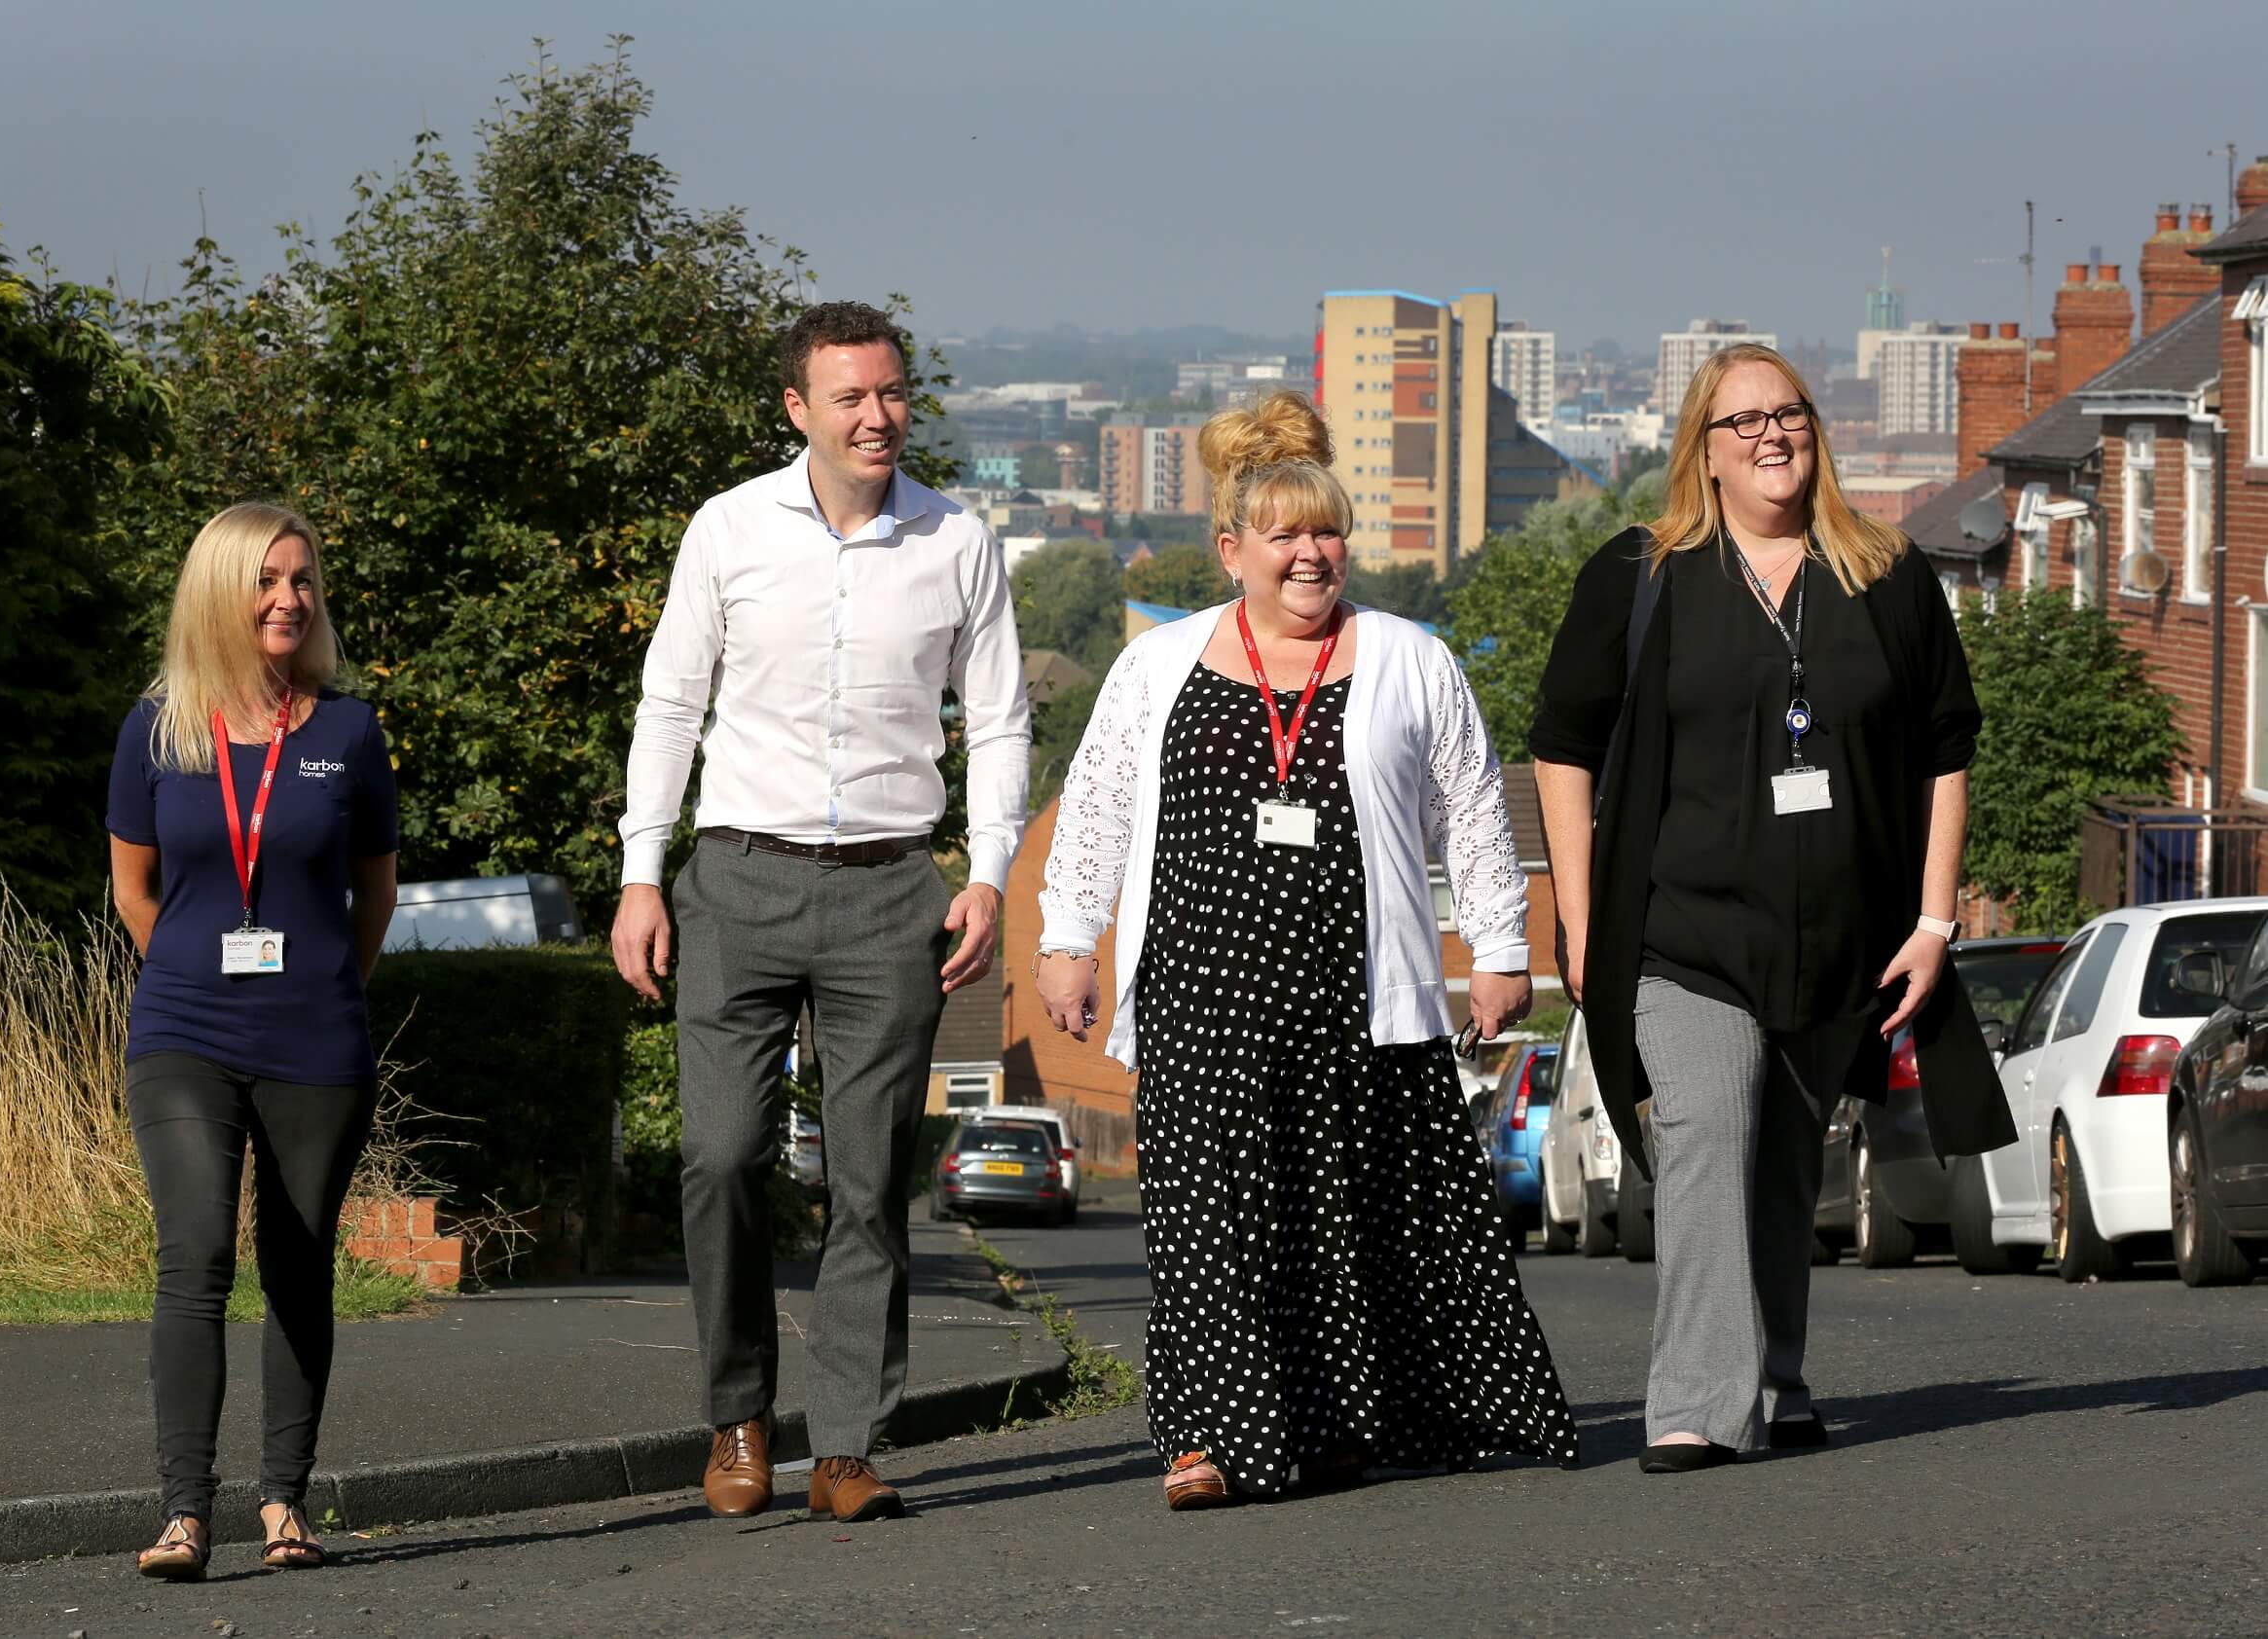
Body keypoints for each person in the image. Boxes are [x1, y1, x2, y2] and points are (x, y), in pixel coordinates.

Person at [1033, 391, 1579, 1509]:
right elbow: (1095, 804)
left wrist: (1498, 945)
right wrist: (1066, 938)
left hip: (1351, 998)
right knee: (1206, 1218)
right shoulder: (1160, 663)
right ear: (1231, 549)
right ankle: (1206, 1438)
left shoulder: (1409, 658)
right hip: (1200, 997)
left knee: (1338, 1220)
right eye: (1284, 534)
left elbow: (1472, 806)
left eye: (1327, 531)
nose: (1309, 554)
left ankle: (1331, 1426)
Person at [1528, 345, 2013, 1475]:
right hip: (1683, 931)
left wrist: (1934, 921)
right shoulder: (1642, 574)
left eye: (1787, 413)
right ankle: (1696, 1403)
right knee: (1708, 1130)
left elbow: (1945, 748)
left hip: (1840, 936)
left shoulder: (1886, 574)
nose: (1770, 436)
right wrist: (1584, 921)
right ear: (1703, 449)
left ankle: (1775, 1378)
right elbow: (1562, 746)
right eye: (1742, 421)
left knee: (1787, 1161)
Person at [611, 301, 1031, 1523]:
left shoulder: (958, 541)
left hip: (891, 889)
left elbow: (999, 720)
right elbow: (671, 704)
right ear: (798, 408)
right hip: (737, 879)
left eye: (891, 393)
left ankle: (845, 1443)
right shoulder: (729, 528)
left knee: (868, 1179)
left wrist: (989, 873)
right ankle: (738, 1416)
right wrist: (641, 872)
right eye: (850, 396)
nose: (876, 416)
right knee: (719, 1156)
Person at [107, 502, 400, 1577]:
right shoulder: (156, 728)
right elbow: (134, 888)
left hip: (315, 1036)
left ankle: (285, 1502)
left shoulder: (348, 732)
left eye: (303, 580)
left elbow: (375, 894)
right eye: (266, 580)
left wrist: (323, 987)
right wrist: (196, 969)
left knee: (297, 1265)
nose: (289, 599)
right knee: (195, 1254)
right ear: (218, 593)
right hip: (182, 1027)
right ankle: (184, 1513)